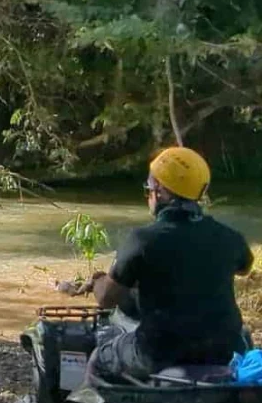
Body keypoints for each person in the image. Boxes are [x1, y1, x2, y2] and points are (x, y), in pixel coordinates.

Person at [88, 146, 254, 381]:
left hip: (159, 353)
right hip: (224, 351)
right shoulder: (229, 237)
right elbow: (244, 266)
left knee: (100, 358)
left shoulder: (143, 239)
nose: (148, 195)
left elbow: (107, 298)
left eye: (148, 189)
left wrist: (97, 281)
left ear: (160, 191)